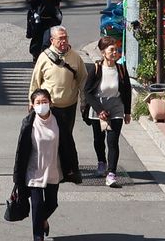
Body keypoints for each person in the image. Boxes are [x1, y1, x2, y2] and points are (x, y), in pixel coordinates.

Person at [11, 89, 80, 241]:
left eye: (44, 102)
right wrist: (17, 176)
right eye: (38, 102)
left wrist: (72, 167)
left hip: (53, 170)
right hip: (34, 172)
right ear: (32, 105)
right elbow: (20, 152)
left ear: (50, 102)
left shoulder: (58, 120)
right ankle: (38, 237)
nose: (42, 105)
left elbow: (68, 145)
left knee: (52, 203)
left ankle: (43, 220)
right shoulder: (29, 124)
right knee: (37, 206)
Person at [82, 36, 132, 187]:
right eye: (111, 50)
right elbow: (87, 92)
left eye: (116, 50)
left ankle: (111, 173)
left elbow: (127, 90)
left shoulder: (121, 69)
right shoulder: (96, 69)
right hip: (98, 105)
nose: (115, 52)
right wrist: (99, 110)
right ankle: (101, 162)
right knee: (99, 139)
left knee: (113, 141)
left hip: (116, 105)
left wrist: (127, 112)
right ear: (103, 52)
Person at [29, 27, 84, 136]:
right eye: (60, 38)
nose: (64, 41)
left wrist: (84, 101)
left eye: (65, 38)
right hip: (50, 106)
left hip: (69, 106)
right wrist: (31, 101)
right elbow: (35, 80)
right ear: (52, 40)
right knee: (50, 136)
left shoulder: (75, 57)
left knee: (66, 137)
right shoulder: (44, 57)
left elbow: (83, 79)